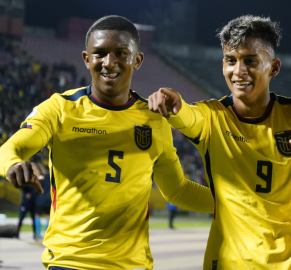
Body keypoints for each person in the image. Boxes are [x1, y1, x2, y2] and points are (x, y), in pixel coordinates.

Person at [0, 15, 213, 270]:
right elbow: (12, 147)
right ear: (86, 58)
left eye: (121, 53)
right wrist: (13, 164)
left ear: (138, 60)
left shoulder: (155, 120)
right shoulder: (59, 108)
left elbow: (178, 190)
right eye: (99, 53)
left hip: (131, 266)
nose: (109, 62)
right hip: (70, 262)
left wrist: (233, 202)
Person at [149, 15, 291, 269]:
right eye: (230, 60)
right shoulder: (213, 116)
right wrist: (176, 106)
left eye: (250, 61)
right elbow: (189, 117)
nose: (238, 71)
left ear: (274, 67)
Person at [34, 163, 51, 239]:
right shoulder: (52, 178)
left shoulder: (41, 178)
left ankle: (39, 234)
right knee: (48, 217)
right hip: (49, 199)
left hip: (40, 199)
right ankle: (46, 233)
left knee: (37, 215)